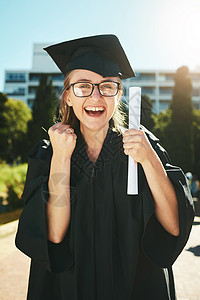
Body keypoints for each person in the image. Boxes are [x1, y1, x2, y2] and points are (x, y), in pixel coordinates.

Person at [15, 34, 194, 300]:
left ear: (119, 93)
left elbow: (173, 228)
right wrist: (62, 158)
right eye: (83, 86)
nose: (96, 96)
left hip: (136, 289)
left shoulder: (143, 147)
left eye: (107, 86)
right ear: (67, 96)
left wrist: (149, 160)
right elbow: (53, 236)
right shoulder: (48, 155)